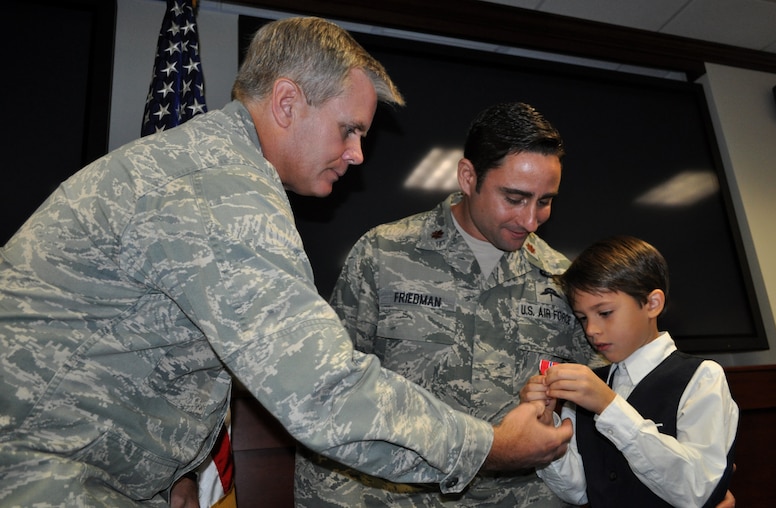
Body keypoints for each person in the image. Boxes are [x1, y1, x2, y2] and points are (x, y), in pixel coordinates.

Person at [0, 17, 573, 506]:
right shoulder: (223, 192)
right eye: (349, 130)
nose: (357, 154)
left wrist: (176, 467)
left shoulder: (207, 168)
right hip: (42, 471)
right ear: (287, 102)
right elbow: (321, 389)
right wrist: (490, 447)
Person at [295, 102, 599, 507]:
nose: (531, 220)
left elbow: (597, 403)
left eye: (545, 201)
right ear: (469, 177)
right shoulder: (384, 255)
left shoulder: (563, 280)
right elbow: (330, 392)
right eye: (515, 197)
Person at [524, 235, 738, 507]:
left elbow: (697, 490)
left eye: (605, 312)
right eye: (583, 318)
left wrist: (609, 406)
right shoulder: (588, 387)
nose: (591, 330)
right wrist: (546, 429)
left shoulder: (701, 377)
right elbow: (577, 490)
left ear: (652, 304)